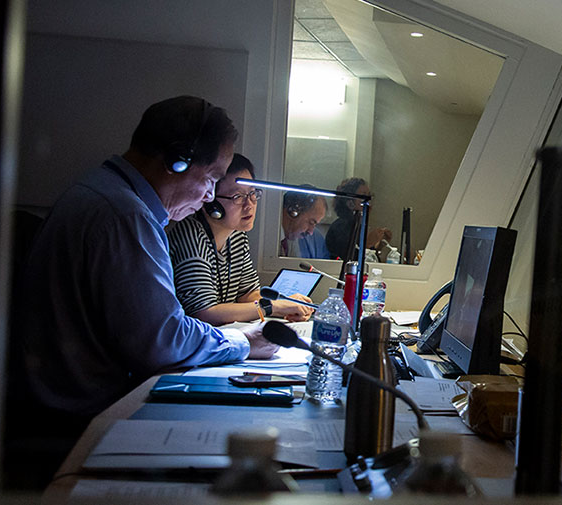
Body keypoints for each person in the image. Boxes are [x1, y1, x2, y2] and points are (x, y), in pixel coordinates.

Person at [17, 97, 279, 473]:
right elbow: (161, 340)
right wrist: (243, 342)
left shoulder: (102, 190)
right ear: (177, 161)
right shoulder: (125, 216)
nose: (209, 196)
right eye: (208, 179)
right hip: (81, 417)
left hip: (64, 403)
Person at [168, 153, 314, 325]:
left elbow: (248, 293)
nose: (249, 204)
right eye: (238, 197)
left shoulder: (236, 235)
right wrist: (273, 307)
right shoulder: (191, 236)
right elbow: (204, 312)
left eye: (253, 194)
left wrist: (287, 302)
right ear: (211, 201)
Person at [324, 178, 392, 261]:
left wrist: (378, 245)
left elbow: (368, 259)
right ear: (349, 203)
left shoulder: (358, 225)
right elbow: (348, 260)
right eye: (363, 197)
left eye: (369, 197)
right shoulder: (340, 227)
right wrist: (367, 243)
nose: (368, 203)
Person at [280, 187, 329, 259]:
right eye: (311, 222)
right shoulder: (267, 236)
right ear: (293, 212)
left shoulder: (291, 236)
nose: (311, 232)